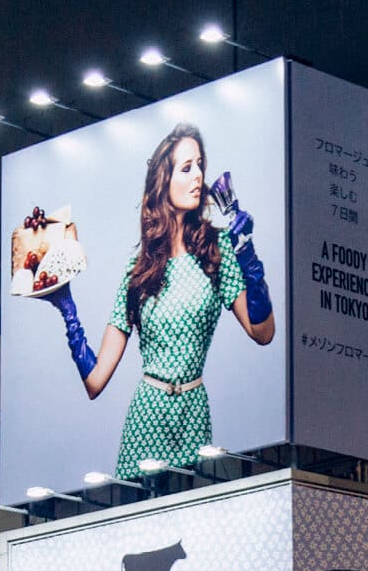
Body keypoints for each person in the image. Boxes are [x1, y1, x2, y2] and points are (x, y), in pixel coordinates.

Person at [45, 124, 277, 476]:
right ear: (163, 182)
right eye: (186, 168)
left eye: (200, 165)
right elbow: (95, 381)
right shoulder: (138, 270)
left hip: (194, 412)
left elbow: (263, 332)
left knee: (198, 509)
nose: (198, 176)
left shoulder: (217, 250)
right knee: (139, 511)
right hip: (146, 417)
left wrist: (249, 257)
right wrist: (68, 310)